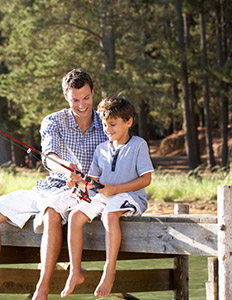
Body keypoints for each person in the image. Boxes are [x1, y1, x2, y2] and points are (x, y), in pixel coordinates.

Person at [0, 69, 108, 300]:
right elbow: (48, 155)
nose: (82, 105)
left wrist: (86, 180)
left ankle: (41, 290)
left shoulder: (105, 125)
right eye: (75, 99)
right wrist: (66, 168)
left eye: (86, 98)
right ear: (66, 96)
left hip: (79, 194)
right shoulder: (53, 121)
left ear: (93, 93)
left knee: (50, 213)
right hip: (48, 186)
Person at [60, 96, 154, 298]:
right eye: (104, 124)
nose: (107, 129)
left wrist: (116, 189)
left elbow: (146, 179)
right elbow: (92, 181)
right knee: (76, 216)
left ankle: (109, 270)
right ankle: (75, 271)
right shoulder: (101, 149)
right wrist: (77, 182)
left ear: (129, 122)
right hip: (105, 197)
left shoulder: (138, 145)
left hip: (130, 196)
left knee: (109, 215)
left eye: (112, 124)